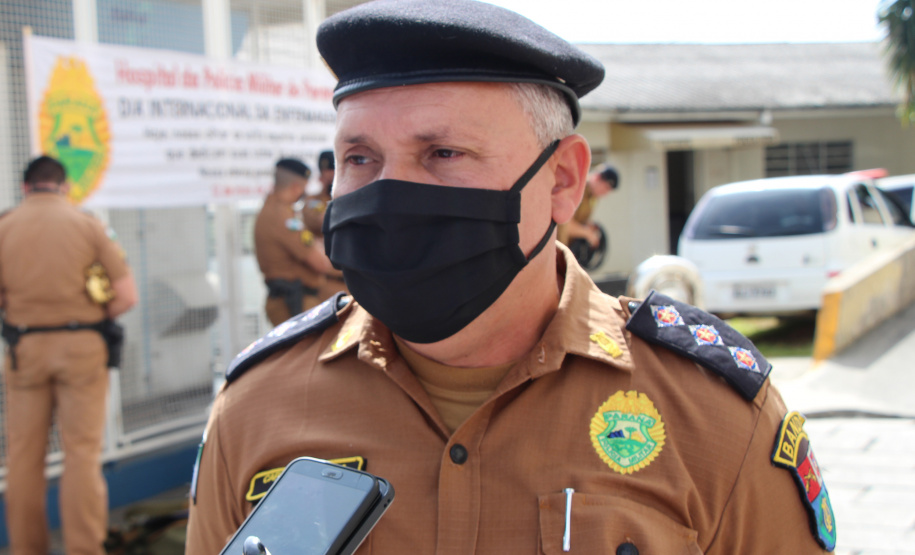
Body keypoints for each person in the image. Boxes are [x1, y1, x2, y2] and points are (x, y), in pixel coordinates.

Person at [186, 1, 836, 553]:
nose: (388, 193)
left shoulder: (712, 417)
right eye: (359, 157)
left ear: (560, 181)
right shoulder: (256, 406)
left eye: (442, 153)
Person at [0, 155, 138, 555]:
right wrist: (88, 316)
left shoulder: (5, 227)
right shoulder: (87, 225)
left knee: (24, 457)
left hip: (25, 350)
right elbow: (126, 295)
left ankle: (27, 548)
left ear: (26, 188)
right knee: (81, 454)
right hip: (82, 349)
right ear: (63, 187)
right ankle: (84, 548)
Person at [254, 158, 332, 326]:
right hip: (294, 303)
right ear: (296, 187)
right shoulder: (283, 218)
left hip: (294, 301)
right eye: (303, 187)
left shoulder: (277, 210)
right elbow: (321, 263)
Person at [301, 150, 348, 301]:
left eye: (335, 171)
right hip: (329, 284)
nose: (331, 176)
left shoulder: (352, 198)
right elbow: (325, 220)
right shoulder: (313, 202)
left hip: (357, 282)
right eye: (327, 172)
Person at [557, 163, 619, 269]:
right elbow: (563, 224)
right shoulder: (578, 188)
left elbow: (578, 220)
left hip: (565, 251)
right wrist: (587, 233)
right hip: (555, 248)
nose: (605, 194)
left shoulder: (593, 197)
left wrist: (588, 226)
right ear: (597, 178)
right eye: (606, 188)